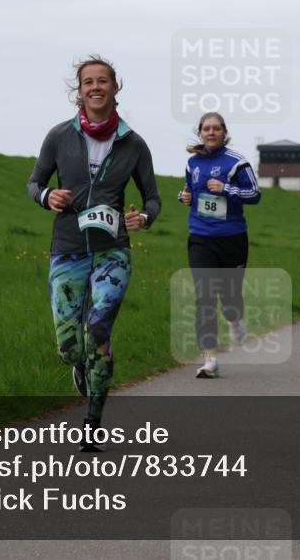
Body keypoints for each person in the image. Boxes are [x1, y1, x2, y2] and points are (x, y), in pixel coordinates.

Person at [27, 55, 161, 451]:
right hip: (68, 248)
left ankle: (92, 422)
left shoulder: (133, 144)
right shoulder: (58, 136)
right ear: (79, 90)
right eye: (89, 82)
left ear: (115, 88)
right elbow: (34, 182)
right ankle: (81, 367)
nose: (96, 87)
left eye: (103, 81)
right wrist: (49, 196)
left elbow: (152, 198)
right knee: (70, 347)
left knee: (98, 329)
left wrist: (144, 218)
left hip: (112, 252)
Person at [178, 112, 261, 379]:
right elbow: (187, 191)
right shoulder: (193, 162)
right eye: (206, 128)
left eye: (216, 128)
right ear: (200, 132)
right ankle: (210, 359)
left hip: (232, 238)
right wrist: (184, 196)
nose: (211, 132)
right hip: (201, 237)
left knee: (230, 298)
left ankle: (235, 320)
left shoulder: (237, 162)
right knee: (205, 297)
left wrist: (226, 188)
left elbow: (255, 195)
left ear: (224, 132)